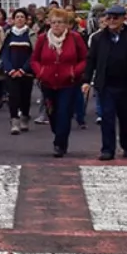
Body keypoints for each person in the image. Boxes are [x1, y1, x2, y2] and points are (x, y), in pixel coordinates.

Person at [32, 8, 87, 158]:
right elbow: (35, 59)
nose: (56, 25)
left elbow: (84, 58)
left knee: (64, 112)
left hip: (68, 83)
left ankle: (59, 144)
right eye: (54, 22)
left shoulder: (75, 38)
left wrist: (73, 72)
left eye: (60, 22)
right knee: (52, 113)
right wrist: (40, 72)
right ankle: (59, 133)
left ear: (67, 24)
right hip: (48, 82)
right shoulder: (43, 39)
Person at [84, 4, 127, 160]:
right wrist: (86, 80)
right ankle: (107, 149)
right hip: (106, 84)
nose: (112, 20)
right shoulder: (98, 38)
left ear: (124, 18)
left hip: (125, 84)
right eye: (109, 17)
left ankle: (126, 146)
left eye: (116, 17)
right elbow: (91, 60)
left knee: (126, 118)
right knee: (107, 117)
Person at [0, 8, 35, 135]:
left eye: (22, 17)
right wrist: (10, 69)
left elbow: (33, 55)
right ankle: (14, 121)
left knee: (25, 97)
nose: (19, 19)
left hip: (26, 73)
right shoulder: (8, 34)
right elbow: (4, 54)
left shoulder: (31, 35)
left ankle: (25, 117)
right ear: (13, 20)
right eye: (17, 17)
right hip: (11, 73)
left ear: (26, 20)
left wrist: (23, 70)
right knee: (13, 97)